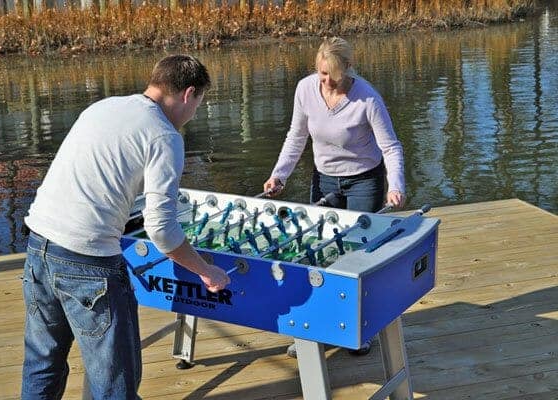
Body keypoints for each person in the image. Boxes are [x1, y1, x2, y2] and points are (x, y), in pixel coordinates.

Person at [21, 54, 230, 399]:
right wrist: (205, 270)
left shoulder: (103, 107)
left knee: (43, 364)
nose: (194, 113)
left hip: (39, 246)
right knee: (114, 384)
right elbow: (162, 229)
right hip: (88, 263)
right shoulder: (165, 136)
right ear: (188, 93)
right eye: (199, 103)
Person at [263, 37, 406, 358]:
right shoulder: (305, 89)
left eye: (332, 76)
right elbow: (296, 136)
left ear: (348, 70)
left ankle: (360, 331)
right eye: (320, 73)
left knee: (359, 256)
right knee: (320, 253)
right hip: (324, 179)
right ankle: (316, 327)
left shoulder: (367, 99)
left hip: (364, 181)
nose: (325, 81)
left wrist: (395, 185)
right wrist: (279, 175)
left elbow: (391, 148)